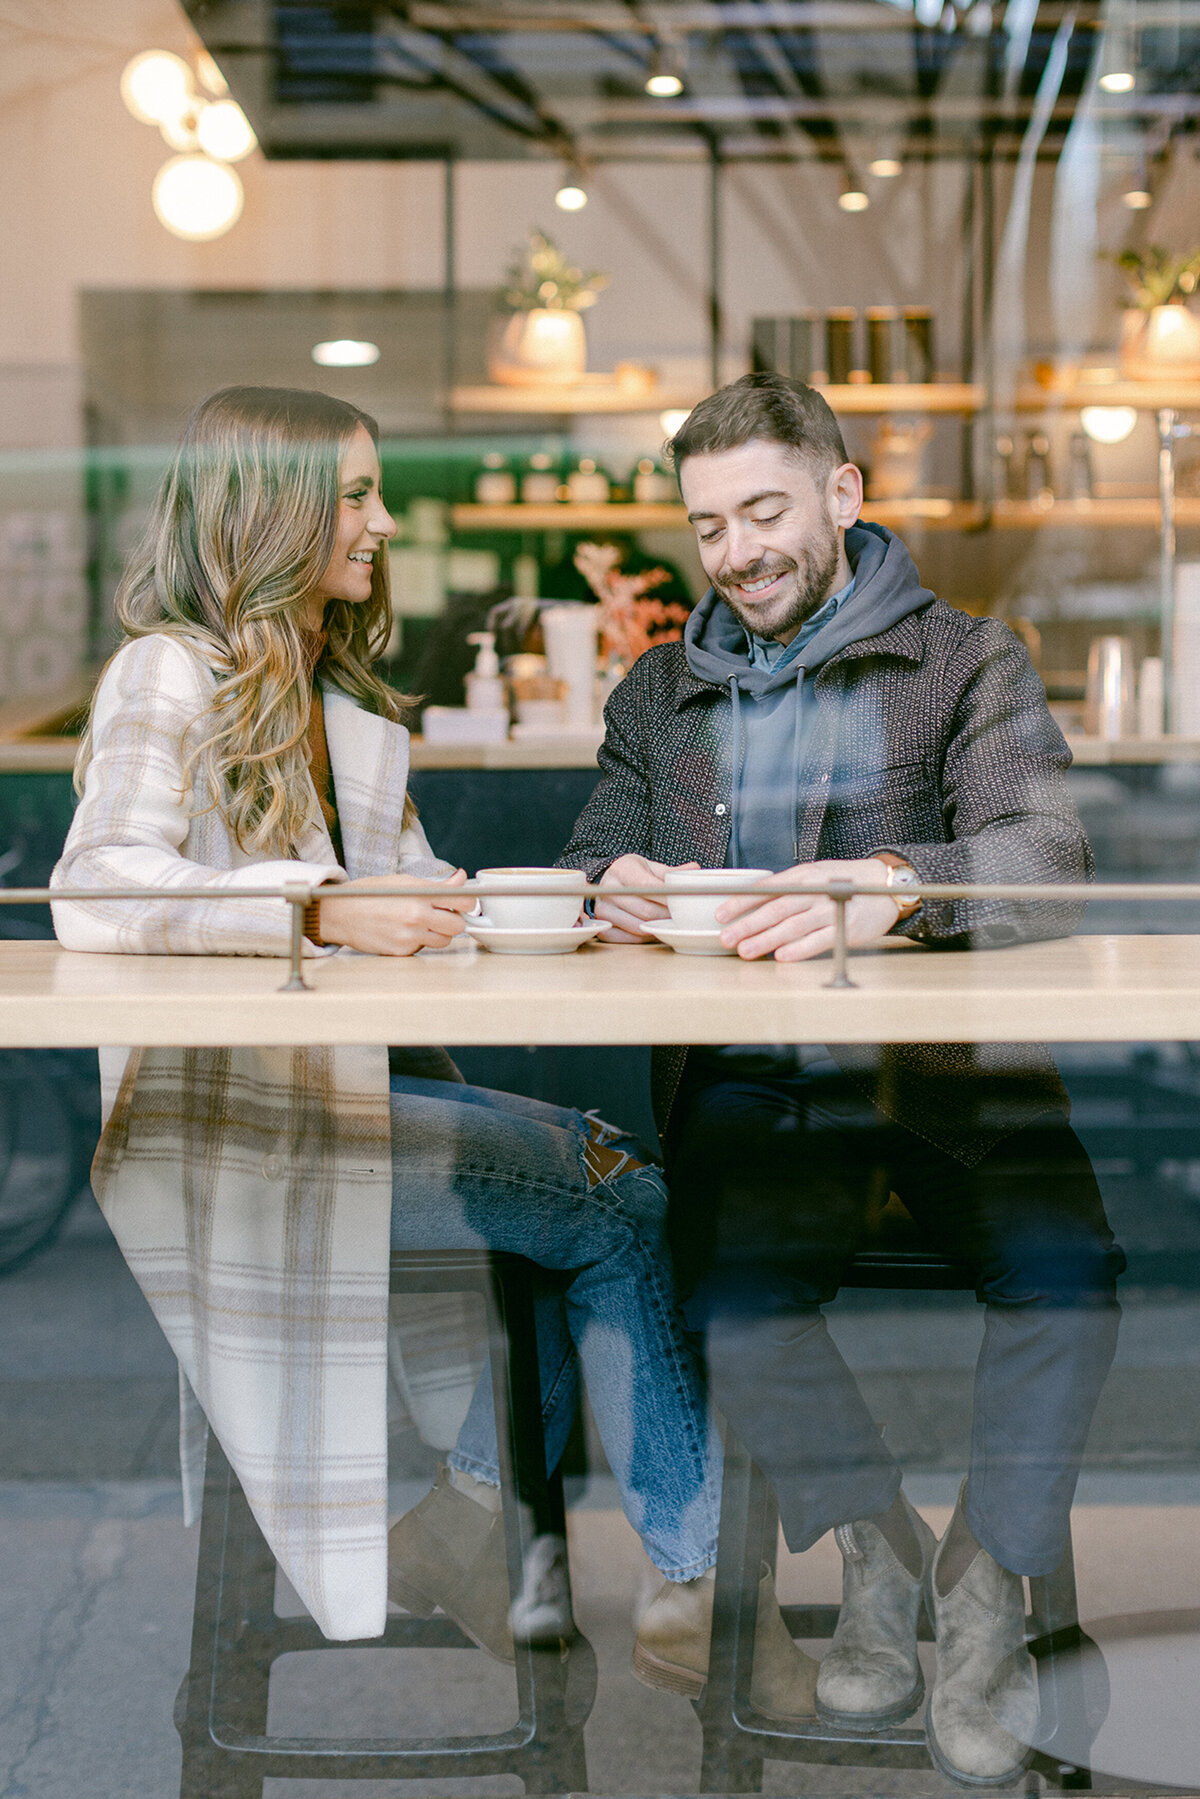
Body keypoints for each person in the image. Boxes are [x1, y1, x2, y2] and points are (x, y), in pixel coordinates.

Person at [48, 385, 818, 1717]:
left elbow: (422, 899)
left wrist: (573, 904)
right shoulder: (167, 671)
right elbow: (97, 887)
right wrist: (321, 906)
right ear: (272, 510)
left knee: (594, 1187)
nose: (384, 520)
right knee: (619, 1195)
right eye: (356, 493)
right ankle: (678, 1582)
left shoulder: (337, 705)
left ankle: (488, 1528)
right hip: (232, 1126)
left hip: (330, 1104)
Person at [557, 373, 1124, 1786]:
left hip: (953, 1073)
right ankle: (875, 1548)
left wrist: (885, 887)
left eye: (764, 510)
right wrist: (602, 887)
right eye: (708, 526)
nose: (738, 550)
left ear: (842, 494)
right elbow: (583, 856)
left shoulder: (965, 660)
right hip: (757, 1080)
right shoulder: (658, 687)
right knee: (731, 1294)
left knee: (1072, 1277)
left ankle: (986, 1579)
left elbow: (1047, 859)